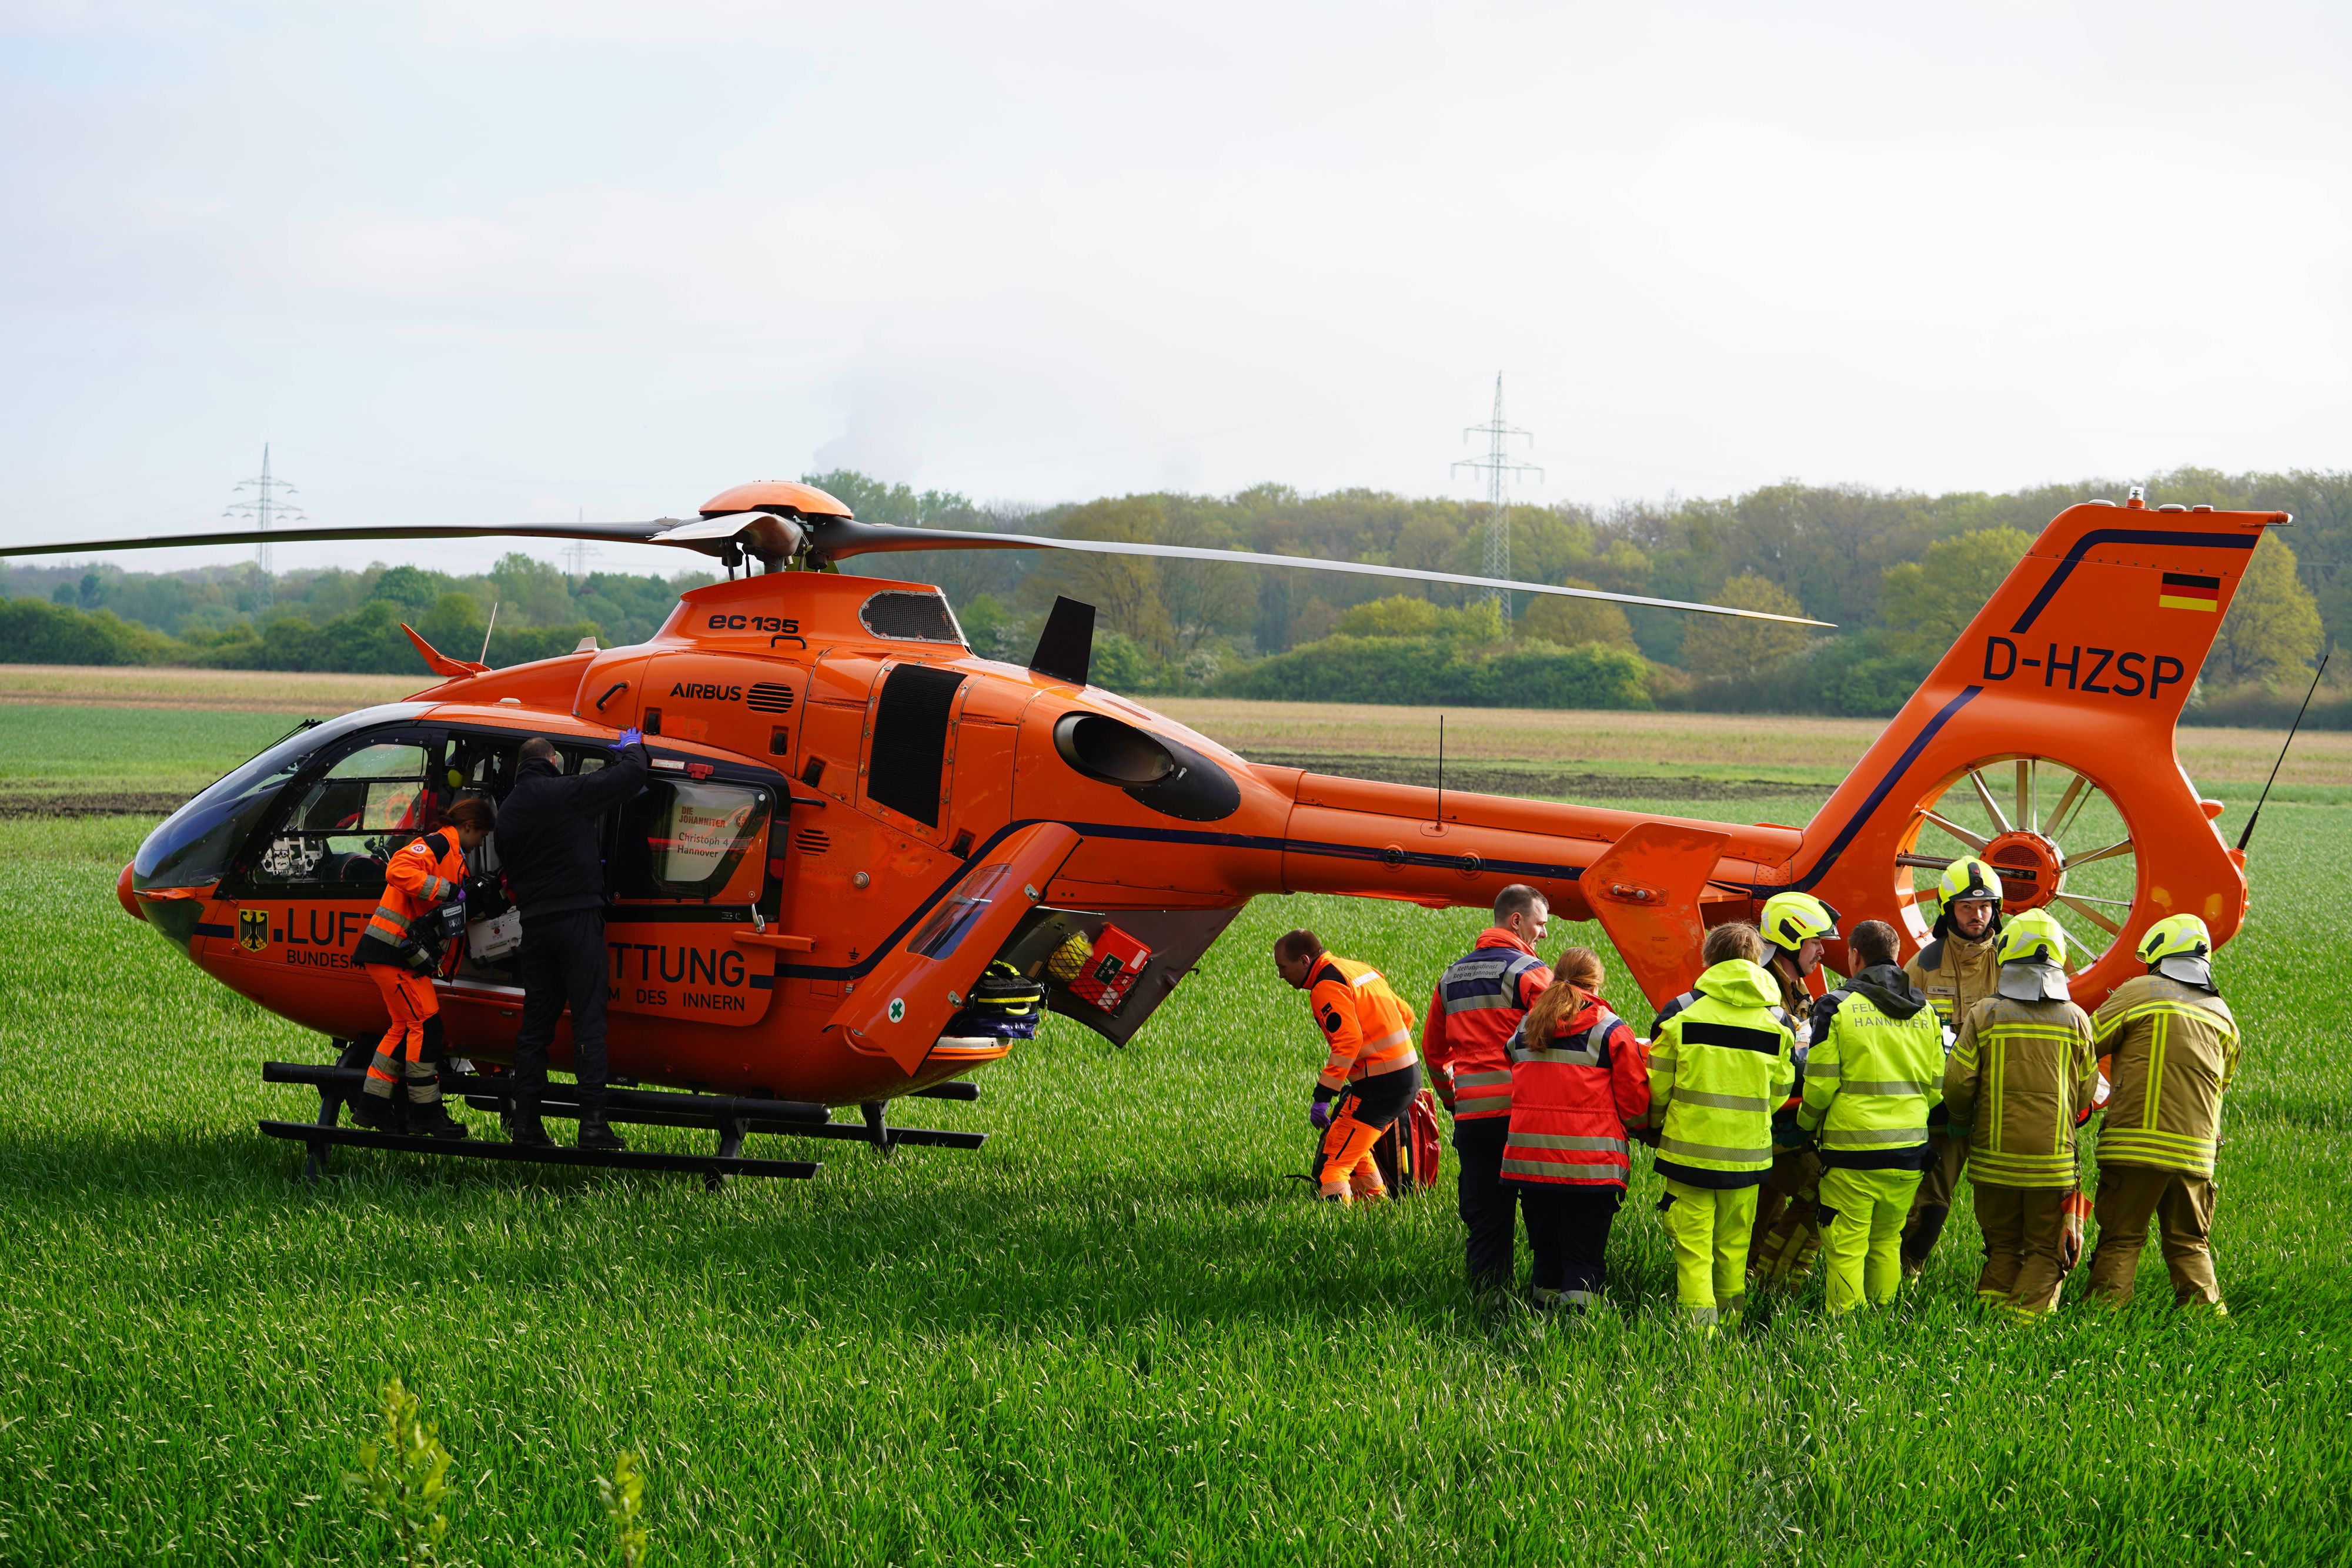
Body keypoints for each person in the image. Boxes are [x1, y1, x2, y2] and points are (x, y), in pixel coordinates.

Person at [496, 728, 650, 1150]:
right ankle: (593, 1126)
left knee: (535, 1027)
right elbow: (630, 776)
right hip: (578, 920)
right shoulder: (564, 792)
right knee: (588, 1022)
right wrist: (632, 748)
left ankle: (526, 1125)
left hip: (535, 927)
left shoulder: (507, 812)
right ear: (553, 762)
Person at [1942, 908, 2098, 1322]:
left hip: (1992, 1161)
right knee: (2046, 1250)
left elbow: (1957, 1085)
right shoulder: (2076, 1020)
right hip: (2052, 1163)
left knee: (2003, 1246)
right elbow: (2086, 1091)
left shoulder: (1985, 1014)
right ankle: (2022, 1327)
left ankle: (1989, 1318)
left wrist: (1962, 1119)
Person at [2084, 915, 2241, 1313]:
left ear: (2159, 957)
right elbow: (2222, 1083)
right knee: (2190, 1242)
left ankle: (2103, 1319)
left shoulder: (2140, 991)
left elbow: (2084, 1043)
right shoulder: (2223, 1014)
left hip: (2136, 1144)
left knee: (2122, 1237)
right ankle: (2207, 1322)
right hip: (2197, 1154)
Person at [1645, 921, 1797, 1332]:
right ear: (1756, 959)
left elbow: (1658, 1086)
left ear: (1709, 958)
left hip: (1688, 1155)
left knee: (1694, 1249)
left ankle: (1699, 1336)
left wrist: (1656, 1124)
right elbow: (1781, 1090)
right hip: (1747, 1157)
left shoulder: (1681, 1011)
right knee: (1733, 1247)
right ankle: (1731, 1327)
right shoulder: (1779, 1020)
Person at [1796, 919, 1943, 1313]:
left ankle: (1846, 1330)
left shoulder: (1836, 1006)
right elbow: (1936, 1087)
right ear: (1896, 955)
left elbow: (1820, 1084)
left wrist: (1805, 1126)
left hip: (1852, 1154)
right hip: (1909, 1154)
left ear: (1855, 956)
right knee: (1886, 1241)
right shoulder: (1926, 1010)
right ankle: (1880, 1325)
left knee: (1846, 1244)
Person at [1422, 884, 1553, 1290]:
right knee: (1543, 1215)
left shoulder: (1451, 976)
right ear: (1516, 920)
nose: (1544, 933)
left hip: (1474, 1118)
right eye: (1540, 923)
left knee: (1485, 1220)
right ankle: (1545, 1301)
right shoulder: (1531, 972)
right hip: (1523, 1117)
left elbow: (1434, 1052)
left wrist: (1454, 1100)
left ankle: (1487, 1302)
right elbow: (1564, 1035)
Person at [1501, 947, 1646, 1310]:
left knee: (1546, 1253)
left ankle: (1540, 1319)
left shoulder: (1526, 1026)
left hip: (1530, 1163)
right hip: (1590, 1167)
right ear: (1595, 985)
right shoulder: (1610, 1030)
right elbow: (1635, 1104)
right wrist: (1643, 1128)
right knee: (1584, 1258)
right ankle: (1577, 1327)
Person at [349, 794, 497, 1137]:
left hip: (398, 956)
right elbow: (397, 870)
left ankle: (372, 1107)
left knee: (404, 1028)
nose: (481, 844)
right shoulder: (438, 845)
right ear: (469, 826)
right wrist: (448, 891)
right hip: (393, 954)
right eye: (482, 836)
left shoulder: (455, 858)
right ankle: (425, 1113)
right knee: (426, 1028)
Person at [1899, 858, 2007, 1281]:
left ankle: (2005, 1279)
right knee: (1931, 1198)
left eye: (1985, 906)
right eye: (1966, 907)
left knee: (2007, 1196)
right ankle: (1907, 1272)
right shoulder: (1923, 965)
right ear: (1948, 910)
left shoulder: (2012, 960)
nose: (1977, 915)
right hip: (1942, 1109)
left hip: (1999, 1104)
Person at [1275, 928, 1421, 1206]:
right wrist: (1392, 1055)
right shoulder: (1358, 969)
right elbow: (1406, 1014)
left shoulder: (1325, 986)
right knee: (1348, 1146)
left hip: (1381, 1087)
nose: (1281, 975)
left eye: (1283, 967)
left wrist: (1323, 1096)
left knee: (1334, 1165)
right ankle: (1375, 1204)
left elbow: (1348, 1041)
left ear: (1304, 961)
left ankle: (1336, 1224)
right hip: (1405, 1077)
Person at [1746, 891, 1842, 1285]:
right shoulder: (1763, 987)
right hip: (1764, 1120)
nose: (1822, 951)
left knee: (1767, 1200)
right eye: (1816, 941)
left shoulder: (1793, 984)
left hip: (1781, 1119)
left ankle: (1755, 1271)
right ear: (1791, 938)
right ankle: (1775, 1280)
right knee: (1822, 1187)